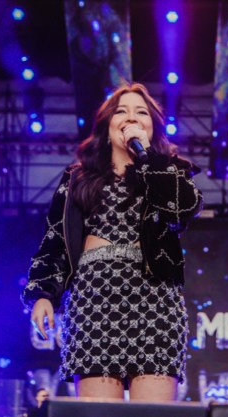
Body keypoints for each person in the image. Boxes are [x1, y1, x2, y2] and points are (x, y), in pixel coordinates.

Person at [22, 82, 203, 401]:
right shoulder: (77, 178)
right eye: (121, 111)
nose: (131, 117)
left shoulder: (170, 172)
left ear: (153, 128)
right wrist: (43, 294)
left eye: (141, 112)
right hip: (94, 303)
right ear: (106, 127)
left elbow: (182, 210)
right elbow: (54, 240)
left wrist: (149, 160)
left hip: (155, 303)